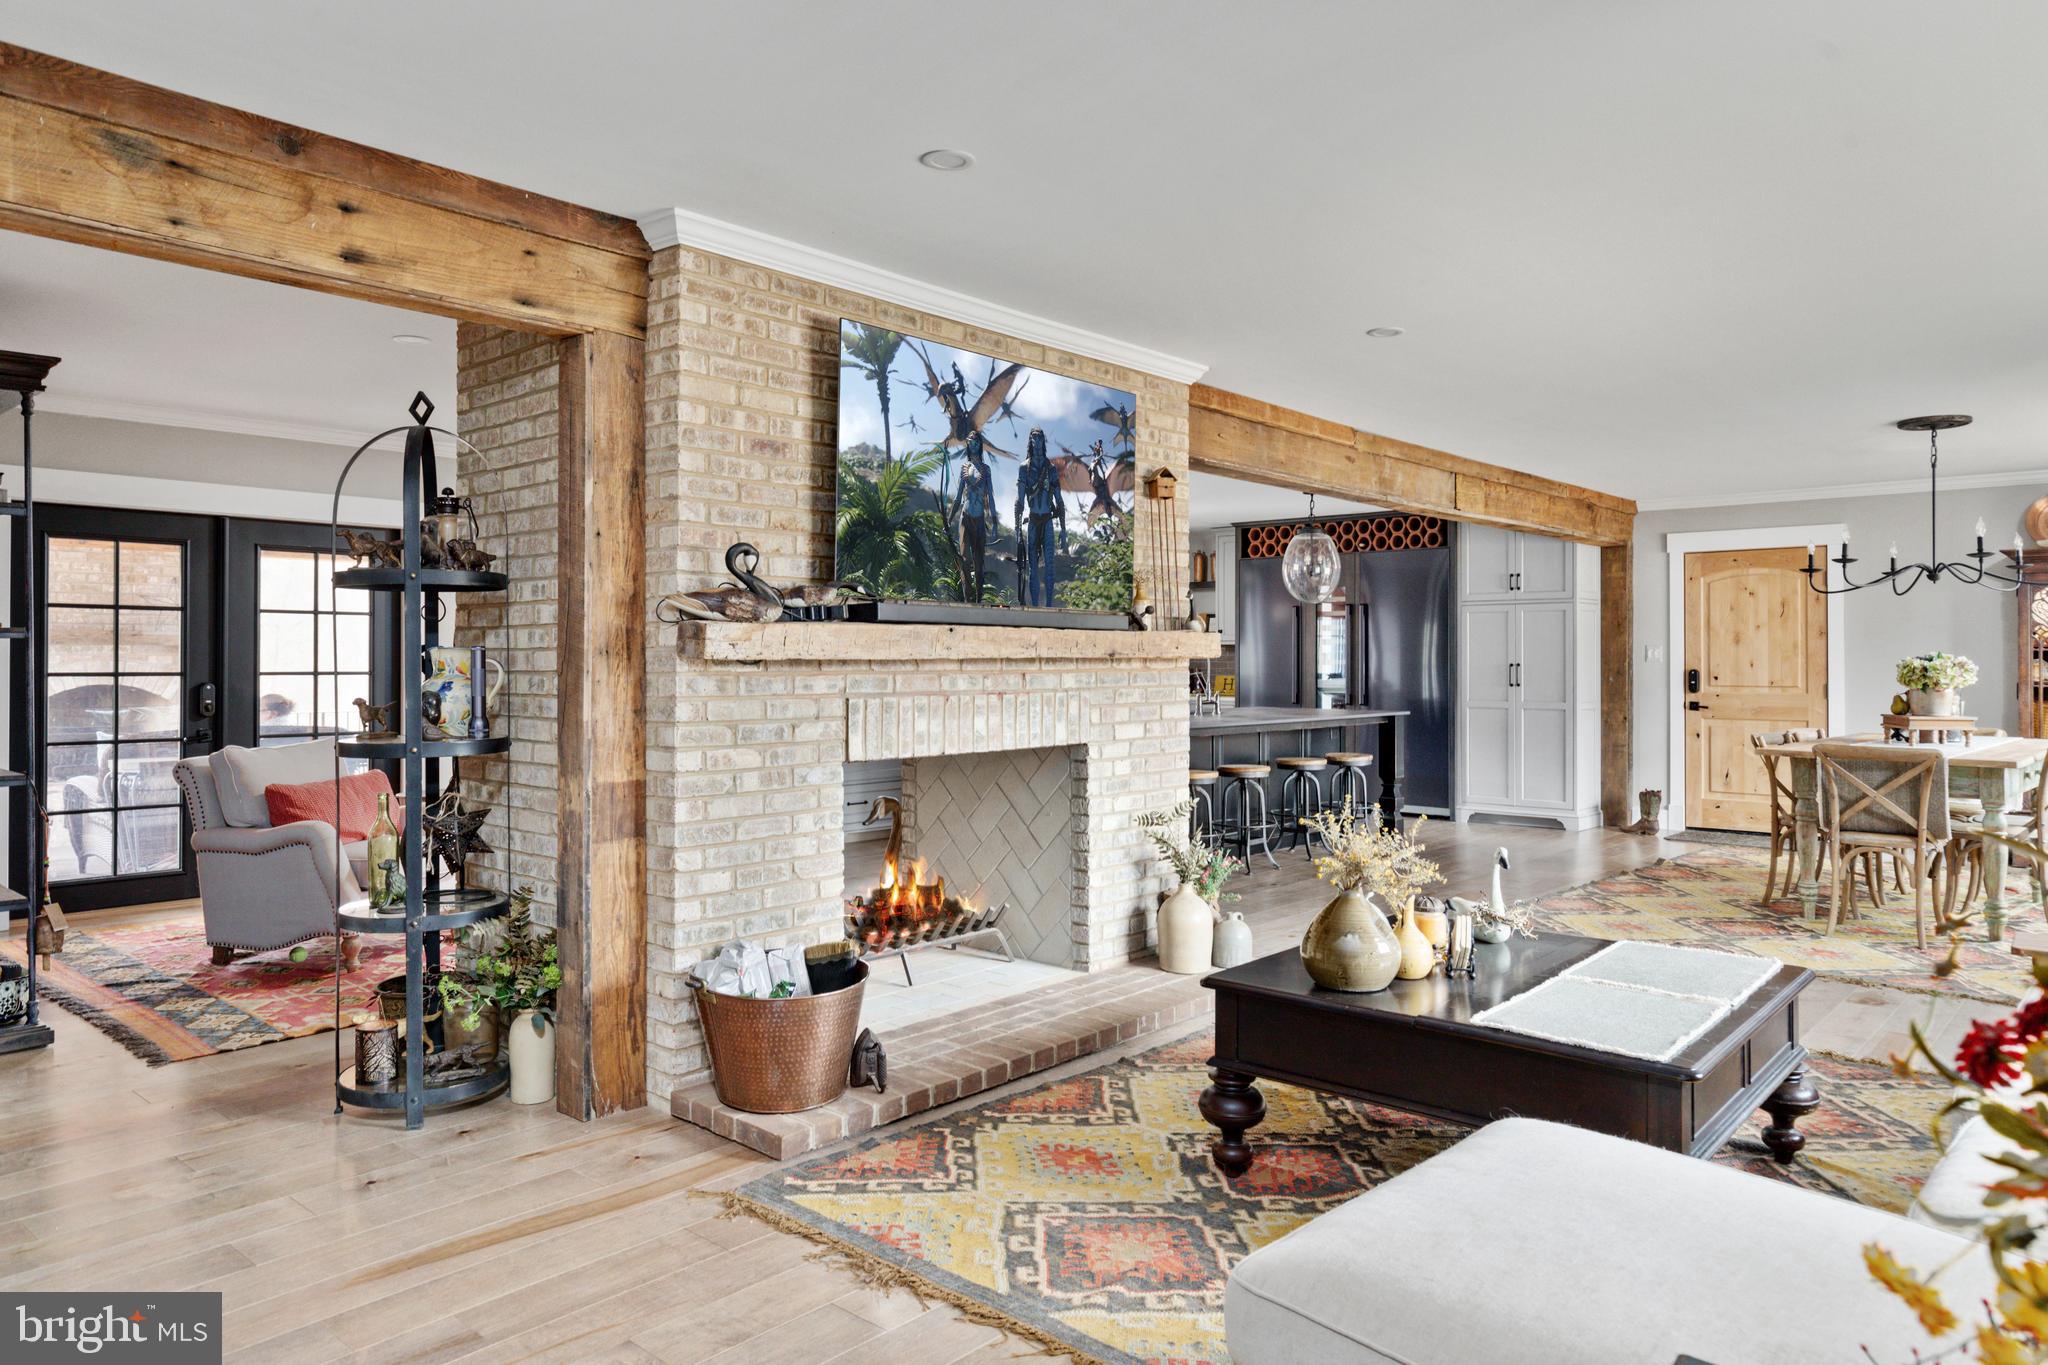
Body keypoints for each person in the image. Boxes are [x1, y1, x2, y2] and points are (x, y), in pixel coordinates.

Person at [1014, 428, 1068, 606]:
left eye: (1040, 437)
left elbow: (1059, 501)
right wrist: (1016, 529)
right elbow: (1019, 501)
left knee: (1050, 568)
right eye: (1034, 437)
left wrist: (1064, 530)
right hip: (1033, 521)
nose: (1037, 440)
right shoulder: (1024, 468)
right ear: (1030, 440)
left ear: (1043, 441)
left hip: (1047, 521)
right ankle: (1035, 608)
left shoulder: (1051, 469)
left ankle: (1049, 607)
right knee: (1033, 569)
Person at [956, 432, 994, 601]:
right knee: (965, 560)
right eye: (970, 442)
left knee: (979, 564)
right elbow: (958, 497)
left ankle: (979, 599)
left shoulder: (986, 469)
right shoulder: (964, 467)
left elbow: (991, 497)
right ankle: (967, 597)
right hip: (965, 517)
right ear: (968, 444)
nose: (973, 445)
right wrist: (948, 519)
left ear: (980, 445)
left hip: (979, 520)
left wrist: (995, 521)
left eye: (976, 442)